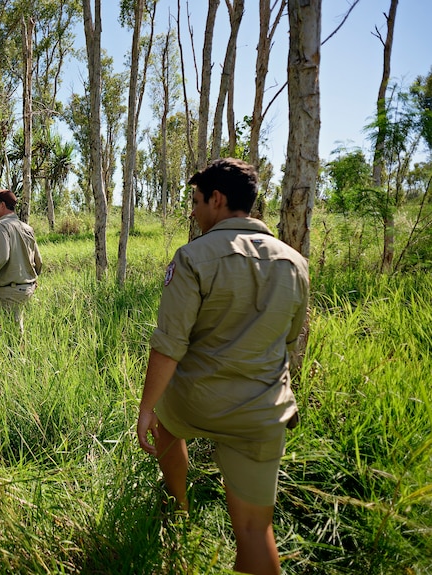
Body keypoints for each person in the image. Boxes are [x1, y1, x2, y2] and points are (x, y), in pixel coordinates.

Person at [136, 158, 309, 575]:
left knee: (166, 425)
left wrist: (145, 410)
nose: (193, 211)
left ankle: (178, 503)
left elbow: (169, 346)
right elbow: (290, 341)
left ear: (217, 199)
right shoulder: (294, 263)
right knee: (253, 530)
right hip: (260, 412)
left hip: (196, 403)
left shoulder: (194, 257)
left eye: (196, 201)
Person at [0, 189, 42, 332]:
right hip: (27, 288)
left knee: (5, 331)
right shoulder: (27, 228)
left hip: (10, 291)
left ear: (2, 205)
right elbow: (38, 261)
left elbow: (0, 256)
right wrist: (32, 279)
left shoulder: (0, 226)